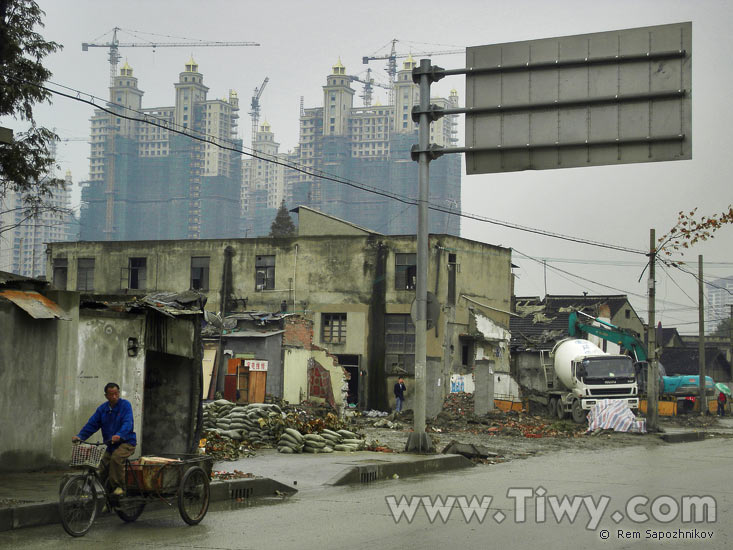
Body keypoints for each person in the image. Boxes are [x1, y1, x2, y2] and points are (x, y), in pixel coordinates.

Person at [72, 382, 137, 496]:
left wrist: (120, 435)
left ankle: (119, 487)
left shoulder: (125, 405)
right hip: (110, 445)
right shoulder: (102, 409)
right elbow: (92, 424)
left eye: (116, 394)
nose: (114, 397)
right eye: (111, 394)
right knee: (102, 467)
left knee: (116, 459)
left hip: (126, 442)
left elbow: (128, 422)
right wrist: (80, 436)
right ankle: (103, 497)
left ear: (119, 393)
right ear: (106, 395)